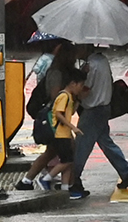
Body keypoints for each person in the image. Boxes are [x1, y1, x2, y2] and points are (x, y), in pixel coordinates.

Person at [70, 45, 128, 198]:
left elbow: (85, 89)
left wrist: (72, 94)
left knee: (81, 146)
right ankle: (127, 172)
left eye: (78, 47)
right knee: (106, 142)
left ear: (86, 47)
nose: (76, 50)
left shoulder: (90, 66)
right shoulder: (102, 60)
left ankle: (73, 179)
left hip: (92, 110)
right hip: (104, 108)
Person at [16, 42, 76, 190]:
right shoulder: (56, 73)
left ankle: (27, 181)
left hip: (58, 117)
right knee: (69, 150)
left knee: (51, 152)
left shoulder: (63, 72)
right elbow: (55, 96)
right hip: (55, 118)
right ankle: (61, 184)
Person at [45, 68, 88, 199]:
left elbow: (71, 113)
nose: (81, 88)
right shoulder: (63, 96)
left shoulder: (69, 97)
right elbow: (58, 114)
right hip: (60, 134)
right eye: (80, 85)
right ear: (72, 83)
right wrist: (72, 127)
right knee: (67, 161)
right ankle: (46, 179)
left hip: (65, 134)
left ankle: (65, 189)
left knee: (68, 160)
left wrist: (79, 100)